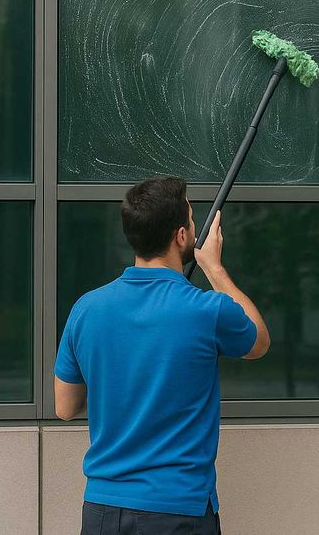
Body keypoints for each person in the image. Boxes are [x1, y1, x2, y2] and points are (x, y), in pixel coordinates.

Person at [54, 176, 270, 535]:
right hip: (178, 512)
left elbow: (64, 408)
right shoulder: (207, 310)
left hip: (103, 511)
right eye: (191, 219)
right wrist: (214, 268)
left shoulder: (86, 309)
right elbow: (258, 341)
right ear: (181, 236)